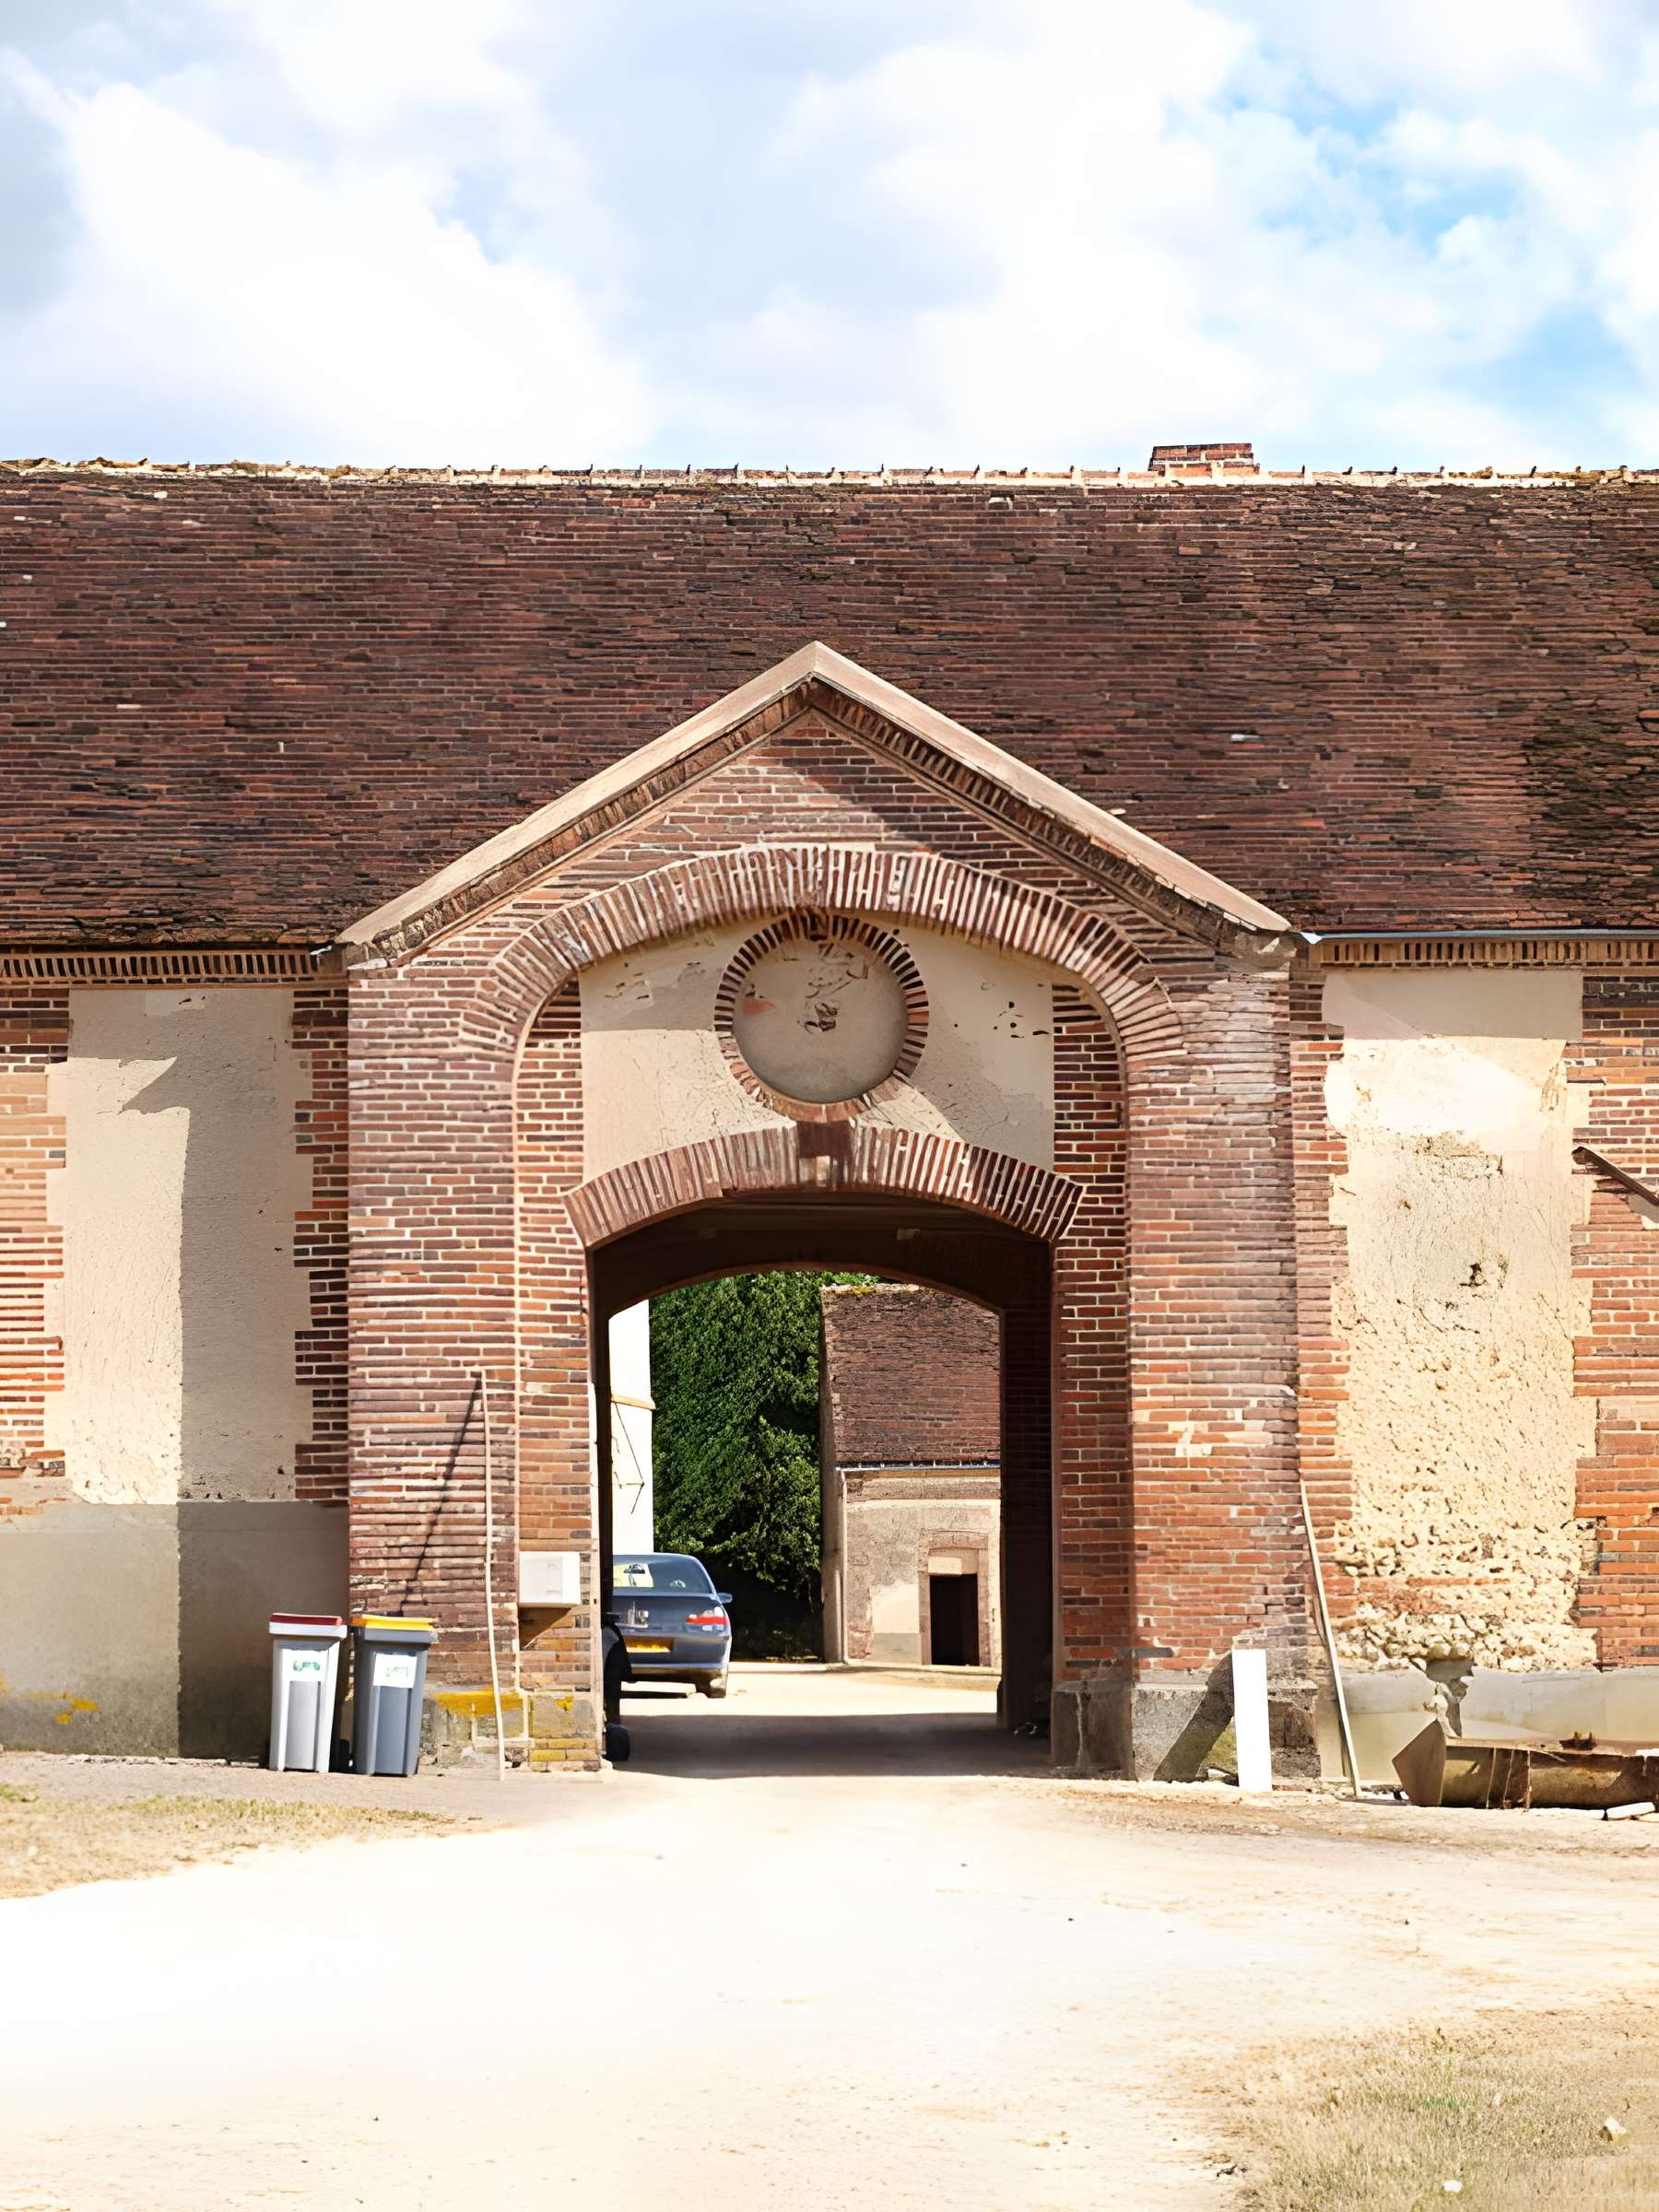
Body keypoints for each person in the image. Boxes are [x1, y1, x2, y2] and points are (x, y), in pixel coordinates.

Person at [601, 1612, 632, 1763]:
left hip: (609, 1674)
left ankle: (613, 1742)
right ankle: (614, 1740)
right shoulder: (611, 1632)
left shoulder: (606, 1633)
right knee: (613, 1706)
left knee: (611, 1704)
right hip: (613, 1676)